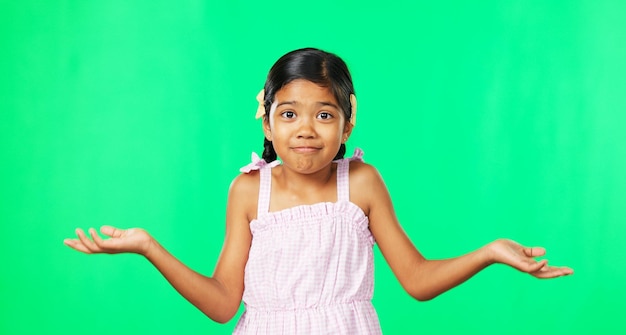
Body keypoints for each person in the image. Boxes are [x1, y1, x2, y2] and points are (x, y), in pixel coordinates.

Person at [64, 47, 573, 334]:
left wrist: (489, 252)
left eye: (324, 115)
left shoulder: (362, 183)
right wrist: (149, 247)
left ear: (347, 124)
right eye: (290, 114)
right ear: (266, 119)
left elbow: (416, 281)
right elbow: (223, 305)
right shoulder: (247, 191)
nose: (306, 129)